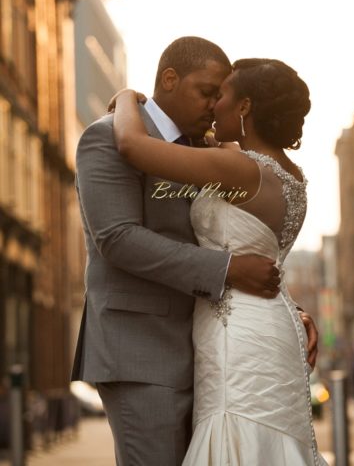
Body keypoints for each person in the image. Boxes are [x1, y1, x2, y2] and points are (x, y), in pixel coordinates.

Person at [72, 36, 318, 466]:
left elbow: (235, 238)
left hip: (216, 355)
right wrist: (228, 271)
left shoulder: (210, 152)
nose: (213, 105)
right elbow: (117, 238)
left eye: (221, 95)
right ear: (169, 79)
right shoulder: (105, 139)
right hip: (143, 352)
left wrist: (282, 303)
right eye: (208, 92)